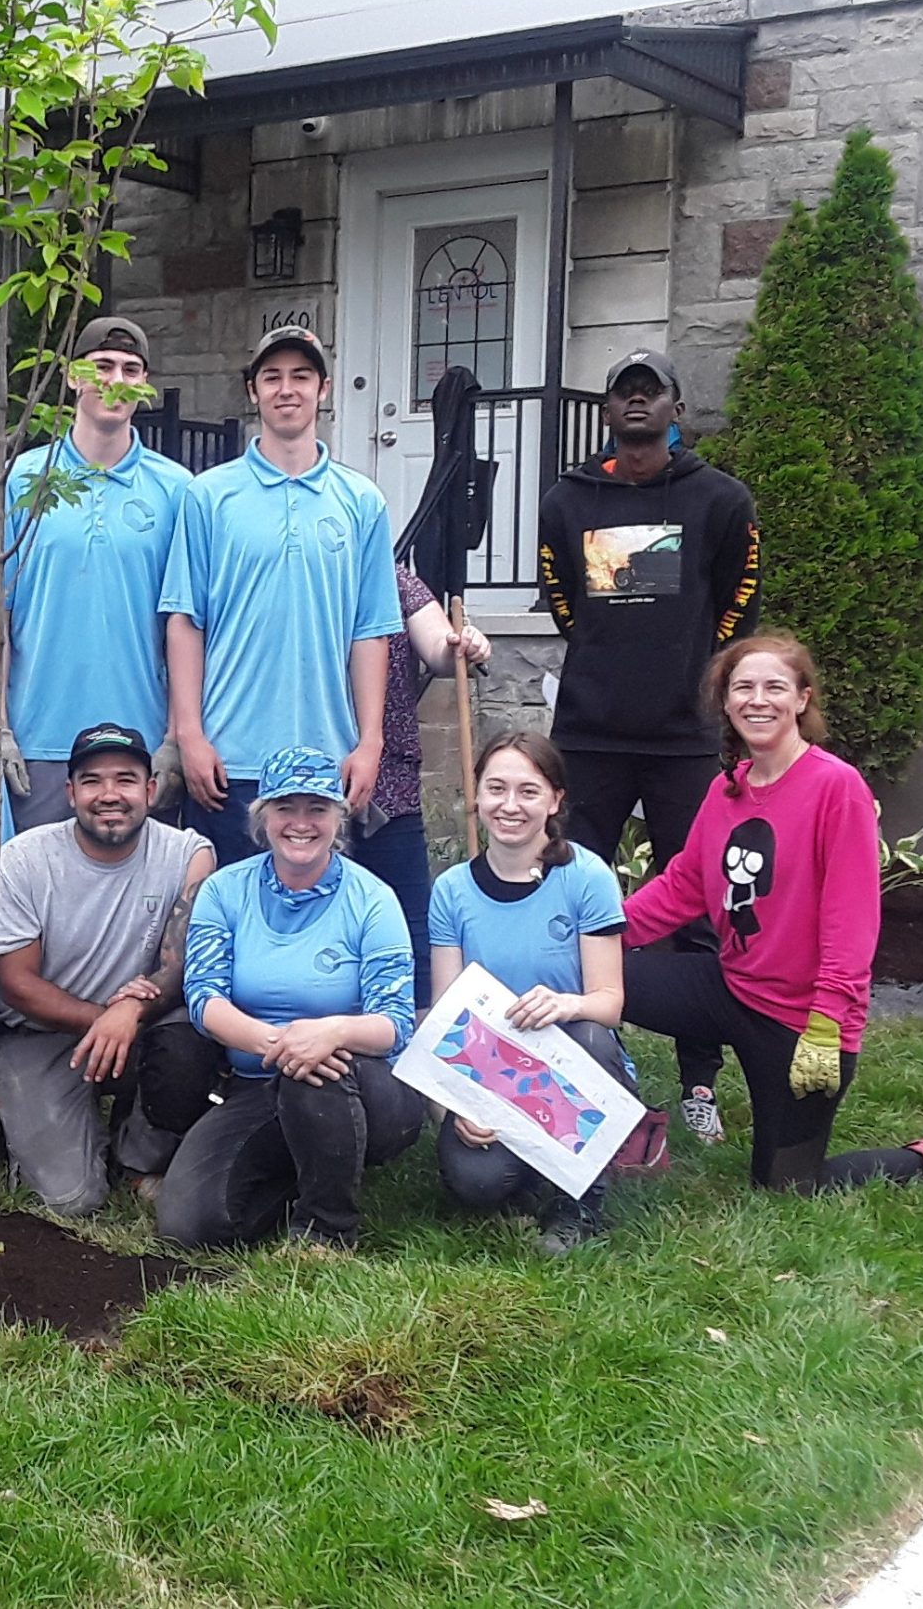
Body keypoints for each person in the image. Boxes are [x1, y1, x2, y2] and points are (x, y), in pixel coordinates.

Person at [622, 632, 923, 1190]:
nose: (758, 699)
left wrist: (826, 1021)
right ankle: (621, 1135)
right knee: (590, 975)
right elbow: (683, 887)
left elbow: (852, 921)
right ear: (725, 702)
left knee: (788, 1185)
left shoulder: (835, 787)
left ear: (802, 699)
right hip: (730, 987)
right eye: (742, 687)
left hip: (801, 1022)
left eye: (775, 686)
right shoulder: (728, 789)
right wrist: (595, 934)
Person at [156, 746, 423, 1249]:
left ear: (339, 818)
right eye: (286, 808)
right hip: (258, 1081)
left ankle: (327, 1230)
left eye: (317, 809)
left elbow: (396, 1023)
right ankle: (303, 1173)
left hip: (367, 1087)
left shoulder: (373, 898)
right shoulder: (224, 891)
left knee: (316, 1070)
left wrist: (331, 1032)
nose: (301, 823)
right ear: (262, 817)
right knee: (189, 1227)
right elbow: (204, 997)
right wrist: (281, 1042)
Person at [163, 326, 403, 866]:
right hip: (230, 764)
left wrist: (369, 744)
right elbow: (185, 621)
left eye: (301, 376)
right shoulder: (208, 497)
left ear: (325, 389)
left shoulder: (362, 502)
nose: (286, 389)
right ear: (253, 391)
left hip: (327, 760)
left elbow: (371, 631)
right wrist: (190, 736)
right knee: (227, 922)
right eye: (272, 377)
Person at [538, 352, 761, 904]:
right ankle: (568, 988)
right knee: (565, 882)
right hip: (589, 734)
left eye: (651, 390)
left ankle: (693, 988)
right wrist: (601, 651)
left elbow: (743, 596)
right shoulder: (566, 501)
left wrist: (704, 666)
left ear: (677, 408)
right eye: (624, 391)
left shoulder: (722, 500)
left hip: (684, 734)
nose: (637, 399)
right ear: (607, 413)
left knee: (697, 892)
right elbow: (561, 599)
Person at [0, 317, 193, 832]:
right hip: (40, 742)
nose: (116, 381)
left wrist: (176, 736)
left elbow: (187, 622)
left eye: (131, 370)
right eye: (102, 367)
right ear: (72, 377)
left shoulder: (178, 490)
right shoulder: (25, 478)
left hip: (139, 745)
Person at [0, 722, 214, 1215]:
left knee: (188, 1042)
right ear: (70, 793)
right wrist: (104, 1019)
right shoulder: (25, 859)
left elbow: (182, 965)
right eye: (92, 781)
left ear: (151, 789)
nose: (109, 794)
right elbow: (18, 984)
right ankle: (50, 1134)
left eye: (126, 779)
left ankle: (138, 1157)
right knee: (73, 1200)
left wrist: (131, 1010)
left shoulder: (188, 854)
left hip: (143, 1027)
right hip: (43, 1035)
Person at [426, 732, 631, 1253]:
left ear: (555, 800)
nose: (510, 806)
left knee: (591, 1033)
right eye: (496, 789)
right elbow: (447, 1018)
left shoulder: (586, 877)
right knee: (474, 1183)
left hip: (576, 1061)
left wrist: (568, 1003)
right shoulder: (451, 890)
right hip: (495, 1069)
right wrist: (460, 1103)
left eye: (528, 791)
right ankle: (531, 1171)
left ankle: (580, 1200)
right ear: (477, 796)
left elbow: (609, 1003)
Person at [351, 564, 491, 1004]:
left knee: (410, 926)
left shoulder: (392, 578)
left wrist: (462, 644)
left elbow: (438, 647)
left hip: (388, 782)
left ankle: (419, 1041)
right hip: (312, 781)